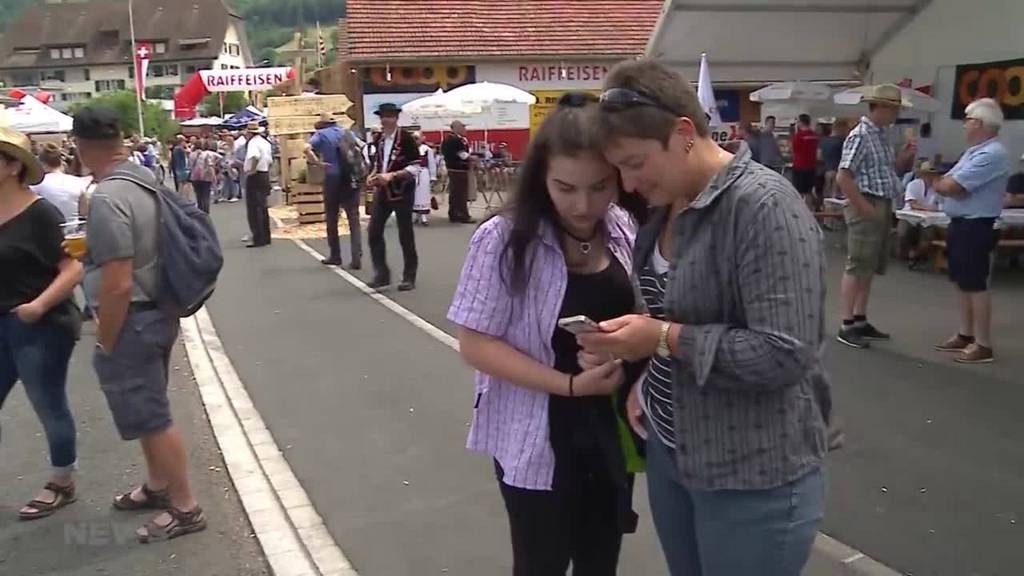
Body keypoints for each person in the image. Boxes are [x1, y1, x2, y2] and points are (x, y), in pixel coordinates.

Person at [580, 59, 828, 576]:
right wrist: (646, 375)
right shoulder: (667, 202)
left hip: (750, 475)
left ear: (684, 133)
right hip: (674, 453)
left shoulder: (764, 207)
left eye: (634, 162)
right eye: (618, 168)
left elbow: (785, 354)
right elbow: (668, 308)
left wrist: (661, 340)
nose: (627, 181)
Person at [449, 93, 645, 576]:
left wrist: (626, 353)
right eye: (566, 188)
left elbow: (641, 312)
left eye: (600, 186)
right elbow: (475, 344)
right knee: (541, 562)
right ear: (541, 178)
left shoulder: (620, 226)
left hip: (610, 427)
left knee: (602, 559)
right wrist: (570, 384)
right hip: (535, 431)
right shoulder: (502, 239)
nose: (584, 204)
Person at [73, 106, 207, 542]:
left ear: (80, 145)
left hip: (132, 316)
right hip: (159, 308)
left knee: (152, 417)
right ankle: (157, 486)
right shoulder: (141, 177)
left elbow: (116, 283)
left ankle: (184, 507)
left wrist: (105, 338)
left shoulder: (108, 197)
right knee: (151, 406)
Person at [0, 126, 83, 521]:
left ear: (13, 166)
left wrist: (38, 305)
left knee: (48, 404)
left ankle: (62, 481)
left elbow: (72, 268)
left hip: (40, 323)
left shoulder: (40, 213)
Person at [835, 84, 916, 349]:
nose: (896, 114)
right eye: (893, 108)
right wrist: (862, 207)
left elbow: (884, 171)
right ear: (880, 107)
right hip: (867, 202)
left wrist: (904, 158)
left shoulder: (880, 135)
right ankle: (847, 323)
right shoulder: (860, 135)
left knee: (868, 265)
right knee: (858, 263)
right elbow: (843, 176)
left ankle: (859, 318)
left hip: (879, 201)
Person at [931, 98, 1010, 364]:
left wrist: (941, 183)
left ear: (979, 123)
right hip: (961, 223)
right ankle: (965, 334)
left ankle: (983, 343)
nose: (964, 127)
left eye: (967, 121)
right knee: (961, 281)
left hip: (977, 225)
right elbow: (947, 180)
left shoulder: (993, 153)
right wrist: (943, 182)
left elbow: (953, 186)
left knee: (976, 284)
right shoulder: (973, 152)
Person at [366, 103, 420, 291]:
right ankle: (382, 274)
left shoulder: (406, 139)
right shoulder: (379, 139)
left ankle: (409, 276)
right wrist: (373, 174)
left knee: (405, 233)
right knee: (374, 231)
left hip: (402, 190)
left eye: (389, 116)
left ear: (396, 119)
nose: (385, 120)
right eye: (383, 117)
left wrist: (392, 175)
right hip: (384, 191)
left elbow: (415, 167)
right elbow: (379, 163)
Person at [306, 113, 362, 269]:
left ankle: (335, 255)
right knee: (353, 217)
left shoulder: (321, 135)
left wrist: (318, 163)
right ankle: (356, 256)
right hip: (350, 177)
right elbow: (361, 146)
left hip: (332, 177)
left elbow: (306, 148)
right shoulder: (346, 132)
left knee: (332, 216)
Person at [897, 161, 944, 268]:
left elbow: (942, 205)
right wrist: (930, 208)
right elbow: (913, 204)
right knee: (903, 233)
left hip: (929, 219)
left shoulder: (938, 188)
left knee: (928, 238)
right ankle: (908, 253)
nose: (930, 176)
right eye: (928, 174)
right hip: (909, 215)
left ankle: (915, 254)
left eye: (933, 174)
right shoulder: (913, 184)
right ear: (922, 174)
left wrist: (934, 207)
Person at [32, 142, 90, 222]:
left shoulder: (36, 184)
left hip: (46, 232)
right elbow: (84, 213)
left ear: (41, 163)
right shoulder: (78, 183)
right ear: (61, 161)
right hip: (73, 232)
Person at [243, 122, 273, 248]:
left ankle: (258, 237)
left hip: (256, 175)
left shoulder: (253, 143)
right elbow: (270, 160)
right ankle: (266, 236)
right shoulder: (265, 142)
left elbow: (255, 156)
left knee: (254, 208)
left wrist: (252, 170)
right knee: (263, 207)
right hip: (264, 173)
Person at [441, 120, 476, 223]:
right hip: (457, 169)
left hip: (457, 169)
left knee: (456, 193)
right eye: (462, 127)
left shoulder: (457, 139)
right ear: (456, 128)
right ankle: (461, 214)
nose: (464, 129)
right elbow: (460, 154)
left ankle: (454, 213)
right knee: (460, 193)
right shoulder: (453, 140)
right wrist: (471, 158)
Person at [791, 113, 820, 211]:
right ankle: (809, 211)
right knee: (808, 191)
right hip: (811, 166)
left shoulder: (798, 136)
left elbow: (793, 150)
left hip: (799, 166)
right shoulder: (814, 135)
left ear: (801, 122)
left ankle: (799, 211)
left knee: (799, 191)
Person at [819, 119, 848, 199]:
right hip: (839, 173)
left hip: (827, 172)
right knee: (837, 198)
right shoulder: (842, 142)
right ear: (840, 128)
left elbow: (819, 156)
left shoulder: (824, 141)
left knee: (827, 198)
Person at [189, 141, 219, 214]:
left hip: (195, 176)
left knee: (198, 194)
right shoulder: (206, 154)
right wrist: (214, 165)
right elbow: (216, 159)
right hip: (206, 176)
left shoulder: (191, 155)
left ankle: (200, 209)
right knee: (206, 194)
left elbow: (190, 165)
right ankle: (206, 210)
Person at [412, 132, 434, 226]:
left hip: (424, 173)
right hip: (413, 173)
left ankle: (424, 216)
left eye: (417, 138)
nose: (415, 141)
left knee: (423, 194)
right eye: (414, 138)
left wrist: (433, 176)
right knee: (414, 194)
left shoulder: (427, 150)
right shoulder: (410, 149)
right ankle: (417, 214)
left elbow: (431, 163)